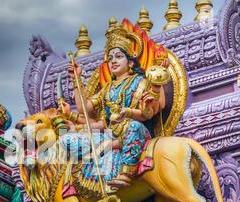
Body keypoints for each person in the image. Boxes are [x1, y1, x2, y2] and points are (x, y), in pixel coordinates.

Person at [63, 21, 169, 188]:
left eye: (119, 56)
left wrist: (128, 111)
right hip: (109, 134)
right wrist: (76, 80)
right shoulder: (107, 89)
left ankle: (125, 173)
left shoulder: (140, 82)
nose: (113, 61)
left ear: (131, 62)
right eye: (110, 58)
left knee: (133, 127)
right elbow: (84, 108)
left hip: (133, 132)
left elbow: (153, 109)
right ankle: (78, 181)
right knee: (68, 139)